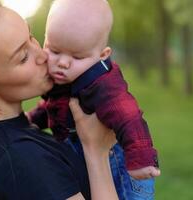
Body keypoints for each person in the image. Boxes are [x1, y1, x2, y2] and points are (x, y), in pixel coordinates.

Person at [0, 0, 120, 199]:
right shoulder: (21, 159)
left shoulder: (2, 142)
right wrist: (96, 152)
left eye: (31, 37)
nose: (43, 55)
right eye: (23, 56)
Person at [28, 0, 161, 199]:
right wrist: (32, 119)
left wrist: (141, 159)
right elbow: (54, 106)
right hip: (81, 155)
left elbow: (129, 116)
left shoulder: (103, 83)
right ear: (46, 39)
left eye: (78, 57)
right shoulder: (63, 75)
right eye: (54, 50)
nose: (63, 63)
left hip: (121, 169)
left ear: (102, 55)